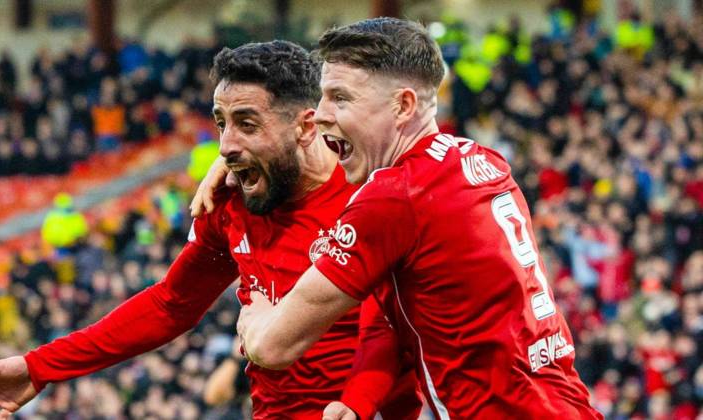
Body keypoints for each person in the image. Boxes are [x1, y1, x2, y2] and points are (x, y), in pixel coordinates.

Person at [0, 41, 421, 420]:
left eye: (246, 123)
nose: (225, 145)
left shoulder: (372, 196)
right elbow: (170, 304)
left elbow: (391, 331)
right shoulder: (231, 202)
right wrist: (40, 366)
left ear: (305, 125)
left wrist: (358, 404)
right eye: (221, 124)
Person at [234, 18, 602, 419]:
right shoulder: (481, 163)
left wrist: (255, 313)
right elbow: (394, 316)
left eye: (340, 98)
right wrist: (358, 400)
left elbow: (273, 346)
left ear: (403, 105)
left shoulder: (396, 196)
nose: (320, 114)